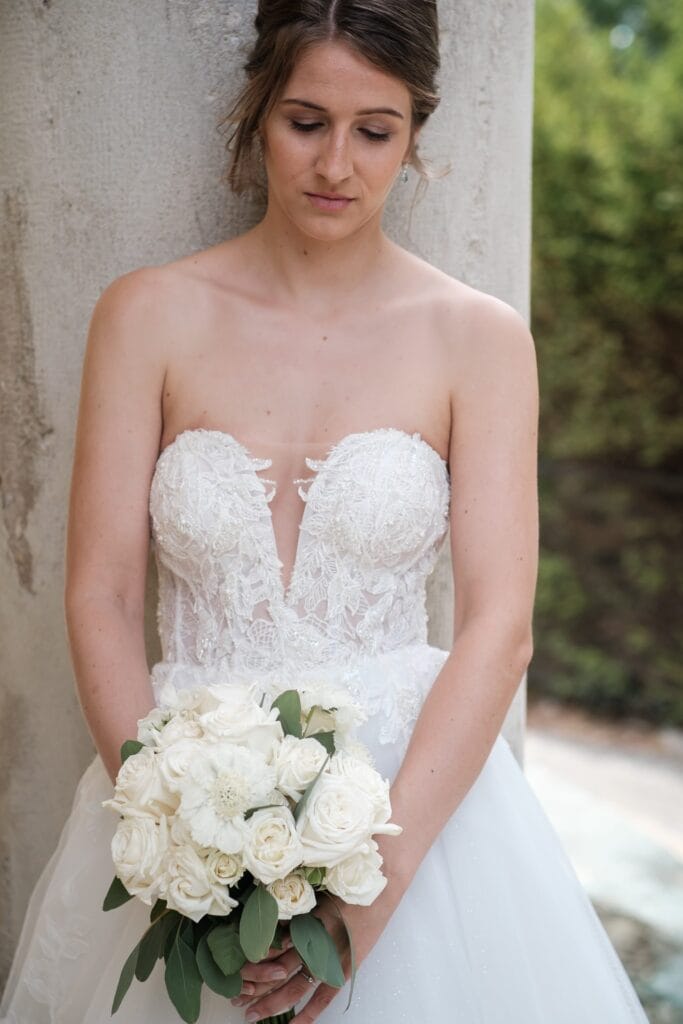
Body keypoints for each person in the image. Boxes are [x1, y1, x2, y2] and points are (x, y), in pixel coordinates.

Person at [0, 2, 650, 1022]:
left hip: (412, 814)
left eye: (373, 129)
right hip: (183, 793)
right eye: (305, 121)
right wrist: (171, 830)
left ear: (415, 133)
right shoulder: (146, 315)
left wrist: (372, 893)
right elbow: (103, 591)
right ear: (257, 113)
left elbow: (497, 624)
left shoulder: (476, 339)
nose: (335, 163)